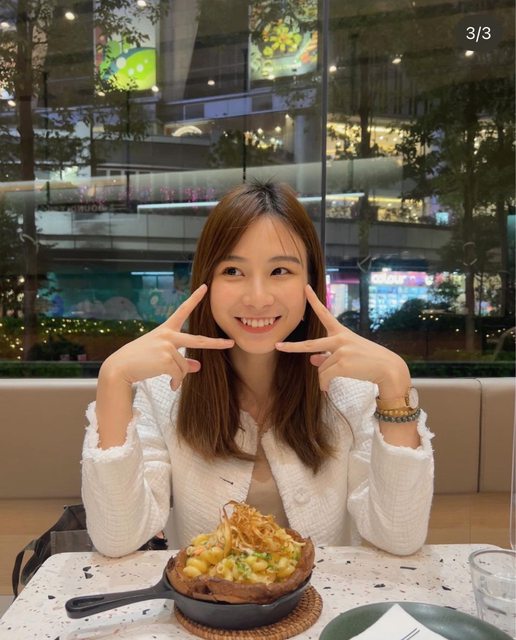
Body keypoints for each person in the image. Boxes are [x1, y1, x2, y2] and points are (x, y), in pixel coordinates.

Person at [82, 180, 434, 558]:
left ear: (311, 281)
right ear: (207, 280)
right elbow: (117, 539)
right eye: (233, 271)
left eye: (280, 270)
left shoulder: (353, 388)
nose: (258, 298)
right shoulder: (166, 386)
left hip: (322, 594)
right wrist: (113, 378)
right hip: (207, 594)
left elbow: (399, 537)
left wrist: (395, 381)